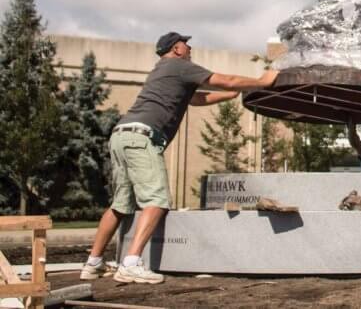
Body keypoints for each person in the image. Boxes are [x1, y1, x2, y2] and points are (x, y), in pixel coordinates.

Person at [80, 31, 279, 285]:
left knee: (120, 205)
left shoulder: (163, 70)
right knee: (158, 200)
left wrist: (230, 96)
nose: (190, 48)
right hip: (142, 139)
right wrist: (261, 82)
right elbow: (225, 79)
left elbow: (194, 99)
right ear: (176, 49)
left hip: (122, 135)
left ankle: (93, 264)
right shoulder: (180, 66)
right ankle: (130, 264)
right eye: (186, 44)